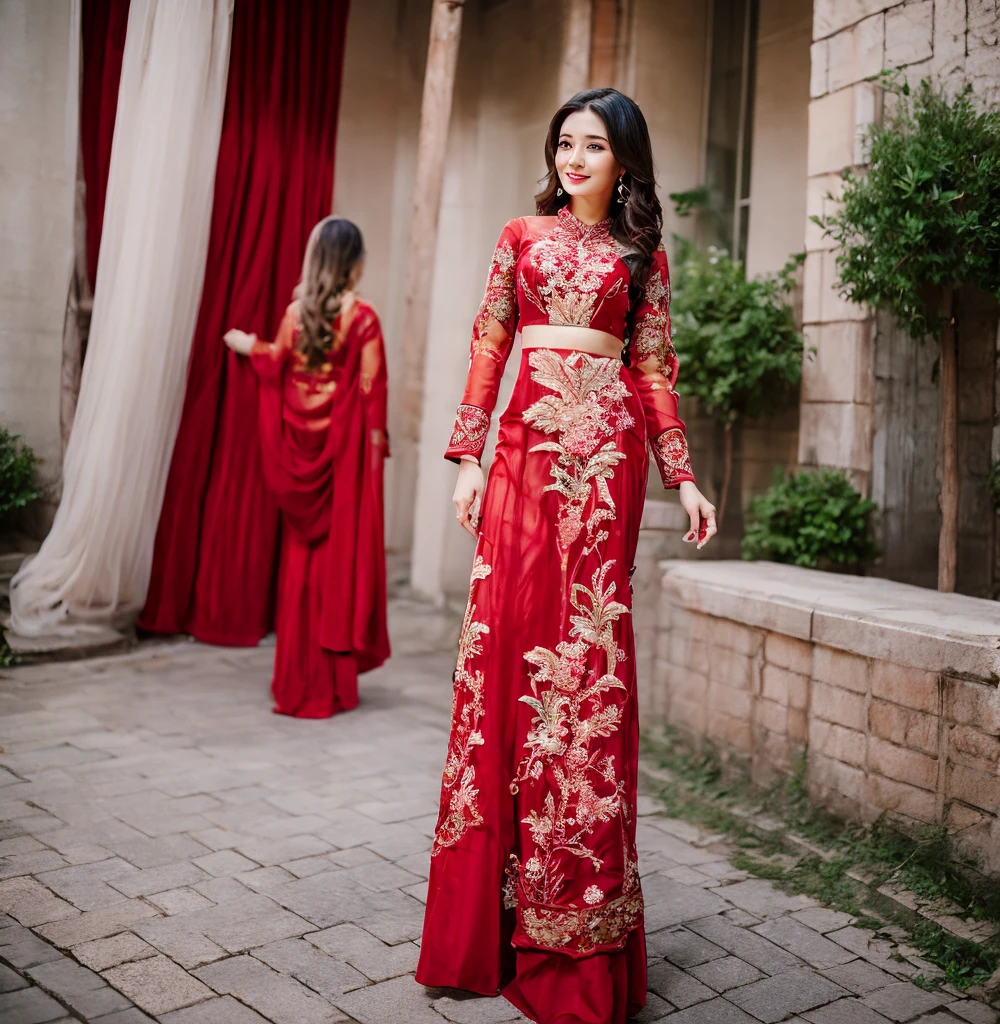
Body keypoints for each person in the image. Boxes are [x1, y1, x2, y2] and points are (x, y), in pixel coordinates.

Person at [415, 89, 717, 1023]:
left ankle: (571, 927)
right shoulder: (518, 236)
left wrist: (684, 477)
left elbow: (655, 368)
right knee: (502, 659)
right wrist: (466, 459)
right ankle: (484, 926)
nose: (575, 156)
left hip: (608, 471)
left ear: (625, 159)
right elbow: (490, 340)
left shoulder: (644, 254)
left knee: (586, 677)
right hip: (524, 456)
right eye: (565, 142)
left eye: (595, 144)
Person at [223, 217, 390, 719]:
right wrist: (374, 456)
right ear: (355, 263)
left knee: (300, 565)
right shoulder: (363, 319)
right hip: (340, 467)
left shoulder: (295, 315)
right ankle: (331, 686)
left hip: (300, 462)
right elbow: (369, 392)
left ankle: (295, 682)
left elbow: (275, 362)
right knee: (335, 565)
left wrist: (247, 344)